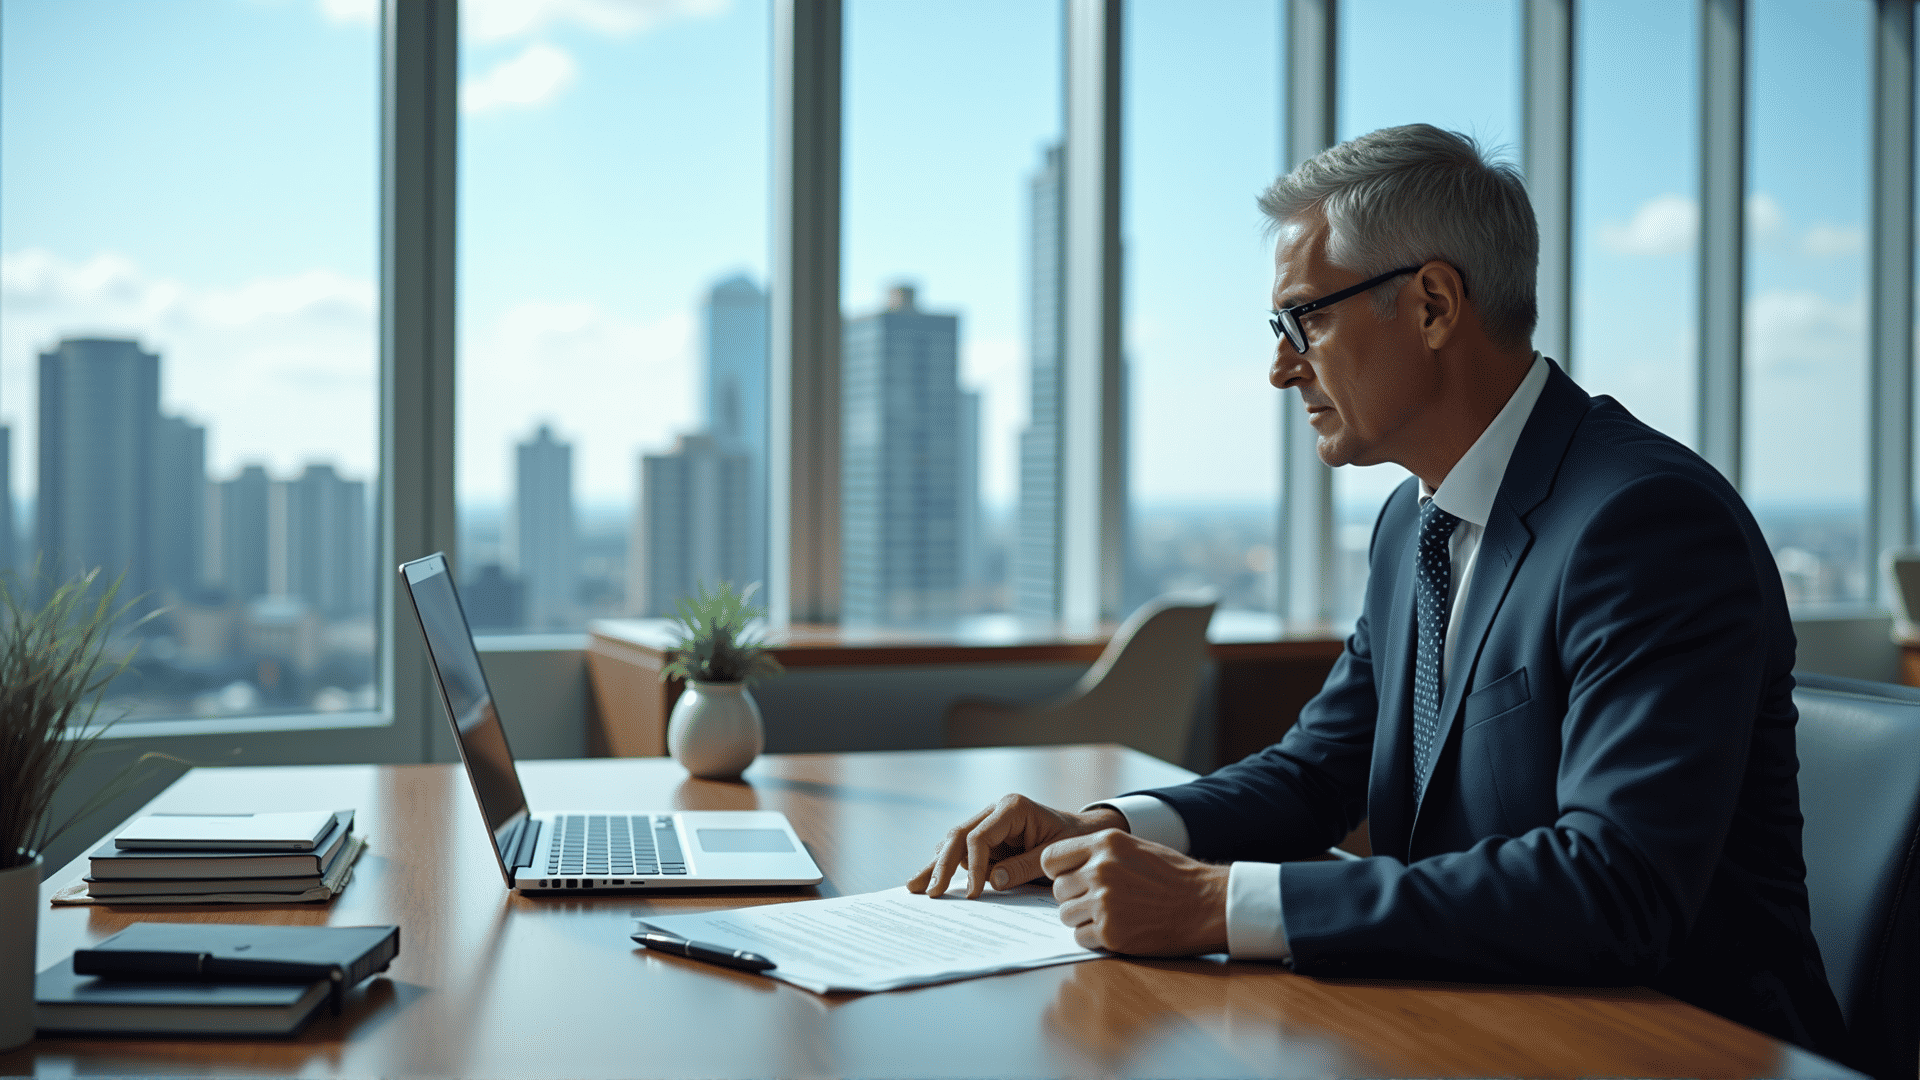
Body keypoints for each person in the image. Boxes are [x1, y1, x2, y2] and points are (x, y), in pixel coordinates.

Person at [907, 123, 1847, 1059]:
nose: (1281, 367)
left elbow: (1614, 886)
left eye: (1303, 318)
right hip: (1469, 1026)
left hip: (1670, 1047)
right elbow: (1320, 771)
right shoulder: (1413, 526)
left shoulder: (1646, 524)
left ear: (1434, 304)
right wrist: (1108, 827)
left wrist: (1213, 903)